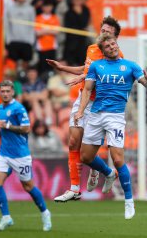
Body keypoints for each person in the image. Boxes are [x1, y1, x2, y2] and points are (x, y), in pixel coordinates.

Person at [75, 33, 147, 219]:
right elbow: (87, 90)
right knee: (85, 157)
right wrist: (80, 111)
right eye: (108, 46)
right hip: (95, 115)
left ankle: (129, 202)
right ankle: (108, 173)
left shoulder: (130, 66)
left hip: (115, 117)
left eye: (113, 43)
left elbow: (146, 85)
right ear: (103, 51)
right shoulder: (96, 66)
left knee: (118, 159)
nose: (112, 46)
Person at [50, 16, 123, 202]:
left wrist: (85, 78)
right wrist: (63, 68)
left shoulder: (116, 55)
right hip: (83, 98)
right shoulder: (91, 48)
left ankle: (105, 171)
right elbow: (86, 69)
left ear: (114, 37)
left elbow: (102, 78)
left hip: (99, 106)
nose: (103, 33)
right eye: (102, 30)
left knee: (86, 151)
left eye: (108, 32)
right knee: (73, 142)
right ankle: (74, 188)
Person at [0, 80, 52, 232]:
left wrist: (7, 126)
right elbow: (1, 126)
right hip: (4, 153)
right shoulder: (0, 108)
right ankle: (6, 218)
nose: (5, 94)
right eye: (2, 91)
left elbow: (27, 128)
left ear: (12, 92)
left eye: (7, 91)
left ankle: (45, 213)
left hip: (20, 156)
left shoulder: (18, 108)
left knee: (28, 186)